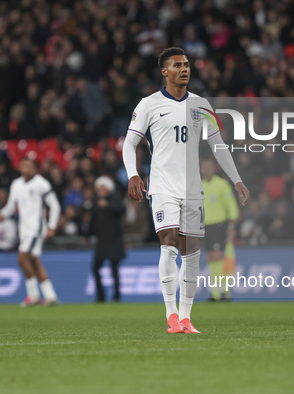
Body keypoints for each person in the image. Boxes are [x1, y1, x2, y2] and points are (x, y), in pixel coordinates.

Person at [122, 47, 250, 334]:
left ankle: (186, 317)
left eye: (187, 64)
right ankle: (170, 315)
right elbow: (129, 143)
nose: (184, 69)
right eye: (177, 65)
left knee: (192, 254)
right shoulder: (149, 104)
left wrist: (236, 179)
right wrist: (133, 174)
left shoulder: (202, 104)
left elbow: (218, 146)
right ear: (164, 71)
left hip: (193, 189)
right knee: (168, 246)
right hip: (163, 187)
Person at [0, 157, 61, 307]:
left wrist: (52, 226)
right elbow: (11, 206)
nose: (26, 169)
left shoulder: (41, 183)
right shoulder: (16, 184)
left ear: (35, 168)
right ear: (19, 168)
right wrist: (2, 214)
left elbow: (55, 206)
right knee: (34, 261)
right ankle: (51, 296)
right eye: (24, 165)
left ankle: (33, 295)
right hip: (24, 230)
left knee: (21, 258)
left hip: (36, 229)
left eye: (29, 166)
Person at [200, 157, 239, 301]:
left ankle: (225, 292)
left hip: (219, 224)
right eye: (203, 167)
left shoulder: (222, 184)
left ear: (214, 168)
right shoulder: (199, 185)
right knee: (210, 257)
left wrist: (231, 226)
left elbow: (232, 206)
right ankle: (215, 293)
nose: (206, 170)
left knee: (218, 256)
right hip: (205, 226)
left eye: (208, 167)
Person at [89, 176, 126, 303]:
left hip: (114, 240)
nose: (100, 191)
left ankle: (116, 296)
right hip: (102, 241)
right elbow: (93, 221)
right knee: (95, 268)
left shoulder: (115, 200)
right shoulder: (96, 202)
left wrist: (108, 205)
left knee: (114, 269)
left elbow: (122, 210)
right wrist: (86, 234)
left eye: (103, 188)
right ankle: (101, 297)